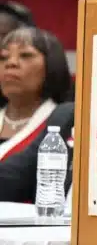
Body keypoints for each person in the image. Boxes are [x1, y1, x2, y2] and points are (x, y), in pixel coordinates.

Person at [0, 27, 73, 163]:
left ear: (52, 65)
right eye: (3, 57)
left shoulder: (67, 123)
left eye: (25, 55)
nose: (11, 63)